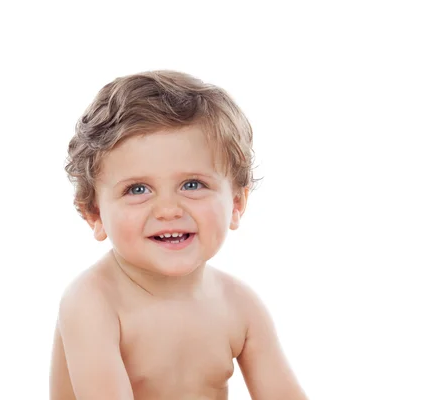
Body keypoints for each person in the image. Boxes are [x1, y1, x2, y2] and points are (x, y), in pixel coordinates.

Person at [50, 70, 308, 400]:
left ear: (237, 204)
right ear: (95, 214)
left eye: (192, 184)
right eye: (138, 189)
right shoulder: (92, 302)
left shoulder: (240, 305)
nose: (168, 209)